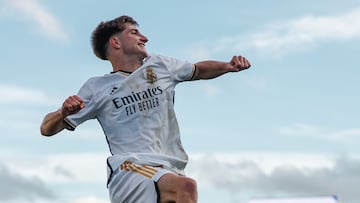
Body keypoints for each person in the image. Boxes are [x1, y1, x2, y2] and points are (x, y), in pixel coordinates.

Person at [40, 15, 251, 203]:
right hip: (130, 169)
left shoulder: (161, 65)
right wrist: (63, 113)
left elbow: (198, 69)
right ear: (115, 42)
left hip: (170, 169)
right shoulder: (97, 87)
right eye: (134, 32)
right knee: (185, 188)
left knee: (183, 188)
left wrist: (228, 66)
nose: (145, 37)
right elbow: (46, 129)